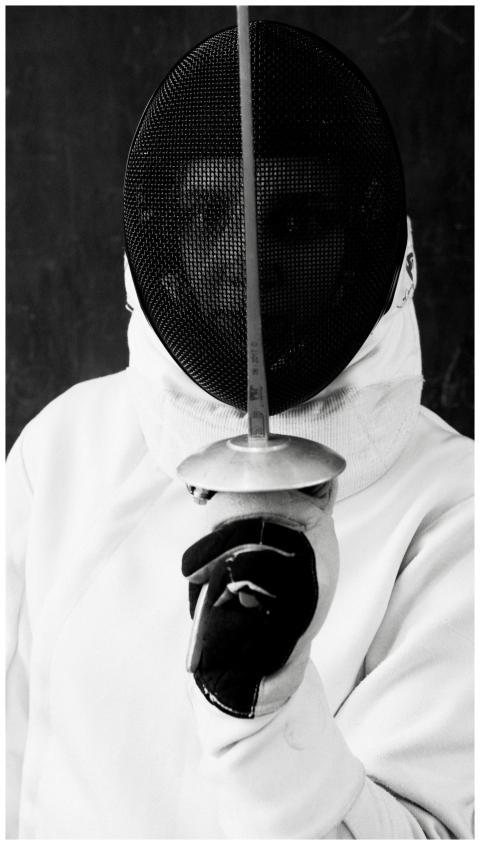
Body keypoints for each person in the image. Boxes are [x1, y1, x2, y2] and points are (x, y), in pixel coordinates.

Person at [6, 21, 473, 839]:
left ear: (364, 241)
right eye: (206, 212)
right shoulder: (64, 454)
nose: (242, 259)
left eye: (294, 222)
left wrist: (269, 716)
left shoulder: (456, 512)